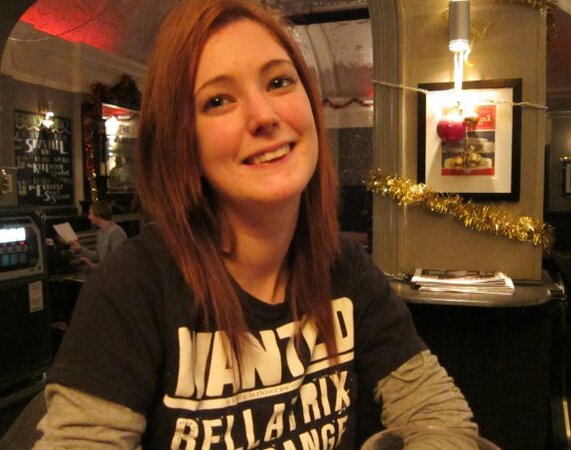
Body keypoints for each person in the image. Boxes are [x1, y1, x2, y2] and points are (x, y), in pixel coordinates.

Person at [34, 1, 477, 448]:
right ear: (183, 143)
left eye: (279, 81)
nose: (265, 115)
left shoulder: (347, 271)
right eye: (218, 100)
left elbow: (437, 416)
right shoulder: (132, 288)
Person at [69, 200, 128, 268]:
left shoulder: (116, 233)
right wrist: (79, 248)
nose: (89, 217)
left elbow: (116, 262)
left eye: (90, 214)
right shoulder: (101, 232)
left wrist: (93, 265)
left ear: (98, 214)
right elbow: (98, 256)